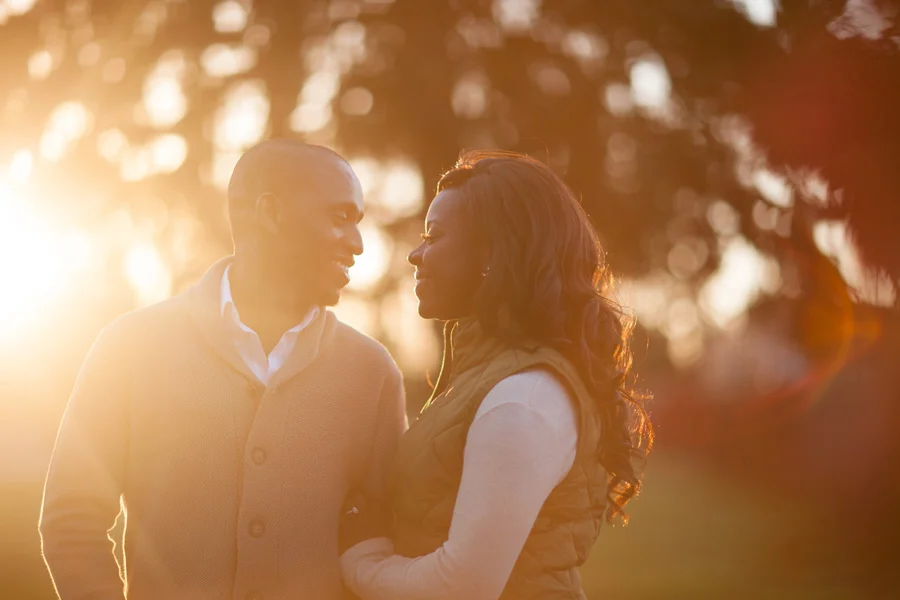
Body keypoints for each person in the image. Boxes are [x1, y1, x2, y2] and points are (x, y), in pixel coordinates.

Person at [39, 139, 408, 600]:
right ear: (271, 214)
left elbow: (386, 538)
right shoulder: (129, 347)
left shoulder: (371, 374)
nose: (356, 244)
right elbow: (71, 521)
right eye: (340, 219)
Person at [339, 150, 653, 600]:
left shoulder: (522, 401)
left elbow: (460, 588)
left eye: (435, 236)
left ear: (493, 254)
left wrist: (361, 558)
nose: (415, 254)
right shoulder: (487, 376)